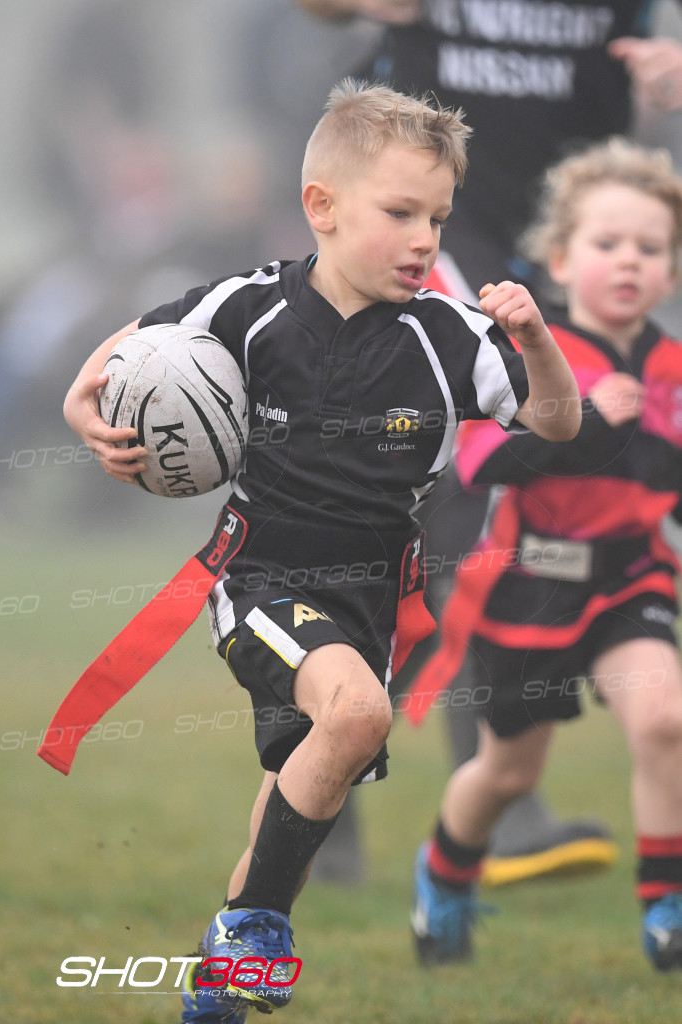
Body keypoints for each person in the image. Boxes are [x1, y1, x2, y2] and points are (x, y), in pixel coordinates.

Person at [60, 79, 580, 1022]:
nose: (424, 239)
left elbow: (555, 422)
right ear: (322, 207)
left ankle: (219, 985)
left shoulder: (451, 337)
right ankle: (254, 928)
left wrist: (537, 341)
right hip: (259, 575)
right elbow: (126, 349)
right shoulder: (247, 306)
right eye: (400, 213)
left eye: (438, 218)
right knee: (355, 713)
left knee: (294, 794)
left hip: (370, 600)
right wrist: (79, 409)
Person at [295, 0, 682, 886]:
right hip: (436, 233)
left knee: (463, 527)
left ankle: (355, 779)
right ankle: (481, 800)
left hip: (567, 244)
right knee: (472, 505)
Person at [409, 136, 682, 972]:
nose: (628, 261)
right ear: (559, 259)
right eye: (607, 243)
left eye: (650, 248)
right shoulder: (530, 352)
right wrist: (587, 421)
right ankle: (442, 876)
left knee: (664, 721)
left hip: (629, 577)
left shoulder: (672, 367)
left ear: (671, 270)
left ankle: (665, 909)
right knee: (507, 774)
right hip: (529, 585)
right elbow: (479, 464)